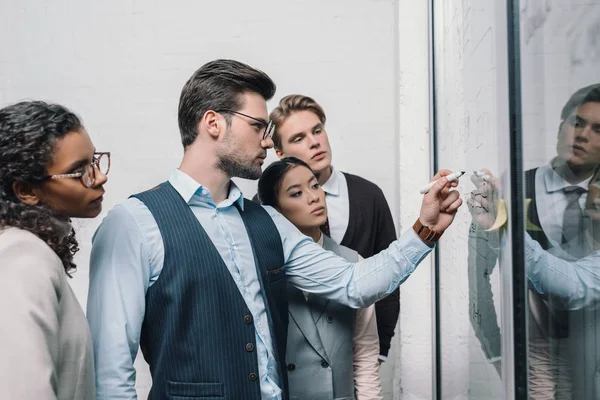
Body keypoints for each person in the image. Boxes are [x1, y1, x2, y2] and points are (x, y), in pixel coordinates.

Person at [87, 59, 463, 400]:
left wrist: (424, 230)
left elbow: (353, 284)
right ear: (213, 122)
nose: (268, 140)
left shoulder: (267, 221)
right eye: (258, 126)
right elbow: (110, 376)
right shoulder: (133, 223)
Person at [468, 84, 600, 399]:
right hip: (533, 363)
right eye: (577, 122)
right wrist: (498, 355)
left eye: (598, 129)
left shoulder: (597, 203)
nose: (582, 135)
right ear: (560, 127)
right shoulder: (511, 189)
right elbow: (478, 282)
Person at [261, 94, 400, 362]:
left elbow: (387, 273)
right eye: (298, 138)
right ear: (279, 153)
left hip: (359, 347)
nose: (314, 142)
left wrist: (381, 347)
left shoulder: (368, 195)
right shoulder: (266, 208)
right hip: (296, 357)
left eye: (317, 131)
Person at [0, 101, 109, 399]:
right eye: (79, 172)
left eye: (94, 162)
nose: (99, 177)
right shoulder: (21, 257)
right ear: (26, 191)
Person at [257, 156, 382, 399]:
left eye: (314, 185)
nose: (314, 196)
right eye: (296, 193)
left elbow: (365, 352)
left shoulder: (353, 263)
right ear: (274, 211)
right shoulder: (262, 267)